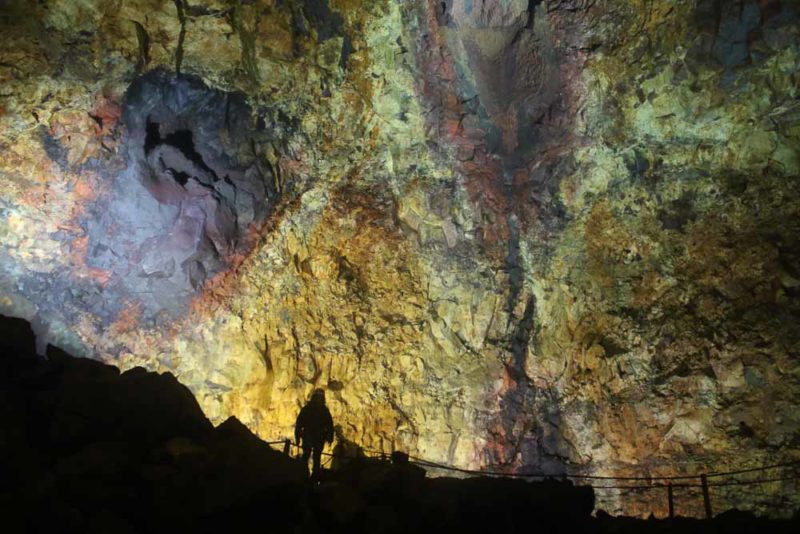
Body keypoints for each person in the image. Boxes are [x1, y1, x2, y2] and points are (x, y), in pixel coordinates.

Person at [294, 388, 334, 477]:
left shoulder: (309, 409)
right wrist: (329, 437)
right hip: (315, 436)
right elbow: (330, 425)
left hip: (312, 436)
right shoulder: (323, 411)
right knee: (313, 456)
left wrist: (297, 437)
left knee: (310, 455)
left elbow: (299, 424)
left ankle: (307, 474)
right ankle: (308, 475)